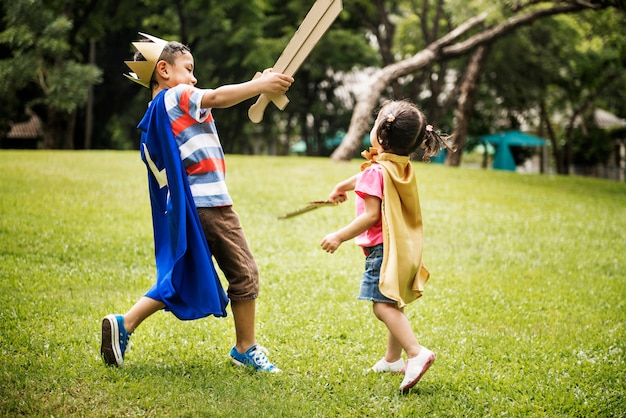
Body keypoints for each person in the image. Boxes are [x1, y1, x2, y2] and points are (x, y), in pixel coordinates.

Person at [100, 32, 293, 372]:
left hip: (187, 207)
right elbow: (217, 97)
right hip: (210, 203)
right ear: (163, 70)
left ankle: (124, 323)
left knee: (181, 275)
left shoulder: (155, 110)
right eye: (188, 69)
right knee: (244, 272)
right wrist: (259, 86)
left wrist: (255, 84)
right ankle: (245, 347)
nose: (193, 77)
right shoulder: (177, 95)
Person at [320, 100, 452, 392]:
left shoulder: (377, 170)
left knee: (382, 306)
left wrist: (339, 236)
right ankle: (393, 360)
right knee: (393, 301)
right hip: (402, 245)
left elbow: (370, 215)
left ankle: (416, 353)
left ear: (381, 135)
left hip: (381, 249)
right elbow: (372, 172)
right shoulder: (399, 164)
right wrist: (343, 185)